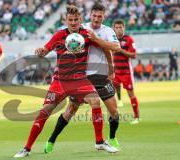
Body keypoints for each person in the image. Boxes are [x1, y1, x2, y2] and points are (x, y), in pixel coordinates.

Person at [13, 5, 119, 158]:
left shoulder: (87, 35)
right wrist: (40, 51)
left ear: (81, 20)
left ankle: (100, 141)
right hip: (60, 81)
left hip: (80, 81)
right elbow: (45, 51)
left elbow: (105, 48)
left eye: (76, 19)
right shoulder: (58, 35)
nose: (74, 22)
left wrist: (110, 66)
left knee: (95, 101)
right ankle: (26, 148)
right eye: (70, 20)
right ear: (66, 20)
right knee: (44, 112)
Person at [43, 3, 121, 154]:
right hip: (81, 76)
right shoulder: (80, 28)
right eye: (94, 16)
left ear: (104, 17)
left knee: (114, 110)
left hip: (101, 75)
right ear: (89, 15)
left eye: (100, 16)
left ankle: (111, 138)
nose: (96, 19)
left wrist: (110, 67)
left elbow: (113, 48)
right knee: (71, 110)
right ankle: (51, 140)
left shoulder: (106, 31)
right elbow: (63, 43)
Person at [113, 19, 141, 124]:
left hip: (126, 72)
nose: (119, 29)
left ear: (124, 28)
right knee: (110, 95)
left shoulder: (129, 39)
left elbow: (133, 55)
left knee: (131, 94)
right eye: (117, 27)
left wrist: (121, 50)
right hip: (115, 72)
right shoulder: (112, 39)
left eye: (121, 27)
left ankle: (137, 117)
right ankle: (113, 117)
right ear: (114, 29)